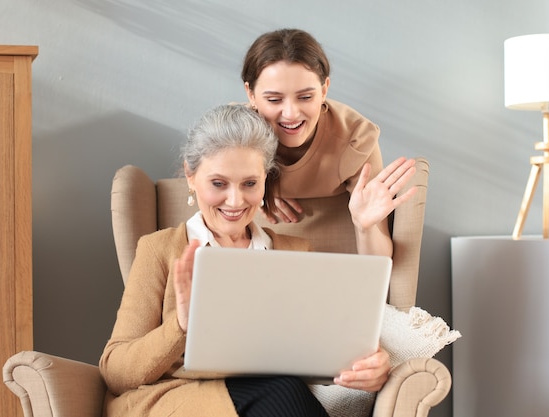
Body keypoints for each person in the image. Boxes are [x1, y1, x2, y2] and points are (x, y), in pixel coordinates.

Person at [99, 104, 391, 417]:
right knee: (281, 389)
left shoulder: (294, 253)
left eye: (250, 184)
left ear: (265, 179)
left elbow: (326, 345)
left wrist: (374, 365)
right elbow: (115, 372)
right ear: (190, 175)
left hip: (271, 402)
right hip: (178, 401)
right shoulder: (159, 249)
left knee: (281, 387)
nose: (236, 201)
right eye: (218, 184)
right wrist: (181, 325)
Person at [241, 28, 418, 258]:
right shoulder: (238, 135)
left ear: (324, 90)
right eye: (274, 99)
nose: (291, 113)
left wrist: (365, 226)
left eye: (305, 97)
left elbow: (379, 262)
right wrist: (256, 186)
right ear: (251, 95)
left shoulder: (356, 139)